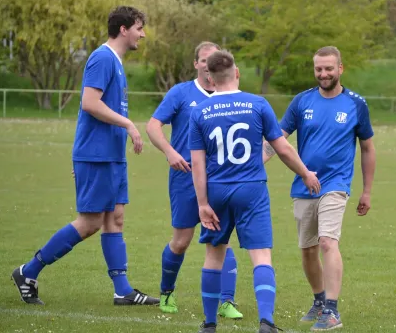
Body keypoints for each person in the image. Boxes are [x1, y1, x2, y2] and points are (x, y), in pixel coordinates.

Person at [11, 6, 159, 306]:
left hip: (112, 156)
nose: (142, 34)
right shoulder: (102, 58)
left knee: (115, 219)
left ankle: (123, 291)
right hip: (97, 155)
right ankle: (28, 271)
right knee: (90, 222)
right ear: (123, 29)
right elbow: (90, 103)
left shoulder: (115, 61)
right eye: (139, 28)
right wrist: (129, 124)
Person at [188, 50, 321, 333]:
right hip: (251, 189)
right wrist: (305, 173)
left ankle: (209, 325)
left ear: (209, 77)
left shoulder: (199, 111)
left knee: (214, 255)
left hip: (216, 190)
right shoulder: (257, 104)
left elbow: (197, 163)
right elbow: (282, 147)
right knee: (261, 256)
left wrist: (201, 203)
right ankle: (266, 322)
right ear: (237, 73)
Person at [262, 46, 376, 331]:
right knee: (308, 250)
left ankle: (333, 311)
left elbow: (367, 148)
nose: (323, 74)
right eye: (318, 69)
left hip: (336, 185)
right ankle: (320, 300)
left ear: (340, 68)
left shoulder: (356, 104)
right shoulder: (301, 102)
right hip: (304, 185)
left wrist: (367, 191)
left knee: (327, 242)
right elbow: (277, 140)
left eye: (328, 68)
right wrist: (254, 163)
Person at [145, 41, 243, 318]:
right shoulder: (181, 93)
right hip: (185, 178)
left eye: (213, 60)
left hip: (221, 179)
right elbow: (153, 126)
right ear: (197, 64)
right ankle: (166, 292)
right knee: (182, 240)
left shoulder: (231, 95)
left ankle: (226, 301)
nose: (208, 64)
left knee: (221, 238)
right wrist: (170, 152)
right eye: (203, 60)